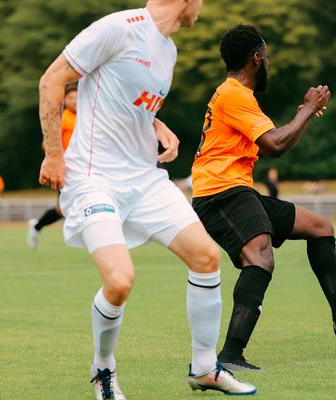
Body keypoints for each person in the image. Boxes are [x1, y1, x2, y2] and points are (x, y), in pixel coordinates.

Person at [37, 1, 256, 398]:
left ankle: (205, 369)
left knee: (206, 258)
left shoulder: (168, 49)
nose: (201, 8)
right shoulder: (118, 28)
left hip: (144, 179)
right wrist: (53, 152)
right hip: (93, 179)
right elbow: (52, 80)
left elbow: (125, 96)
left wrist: (157, 124)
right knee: (119, 281)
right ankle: (103, 370)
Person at [190, 24, 336, 372]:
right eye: (266, 57)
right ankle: (230, 355)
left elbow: (271, 144)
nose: (268, 63)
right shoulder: (235, 95)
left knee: (319, 227)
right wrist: (307, 108)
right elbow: (276, 145)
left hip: (234, 188)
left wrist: (304, 115)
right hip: (219, 192)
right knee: (260, 258)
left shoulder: (237, 96)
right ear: (256, 58)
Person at [28, 83, 78, 250]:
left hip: (85, 166)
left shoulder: (86, 117)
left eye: (77, 97)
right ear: (64, 100)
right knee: (63, 209)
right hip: (67, 168)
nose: (75, 100)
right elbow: (46, 144)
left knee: (67, 208)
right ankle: (36, 227)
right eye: (71, 97)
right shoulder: (63, 118)